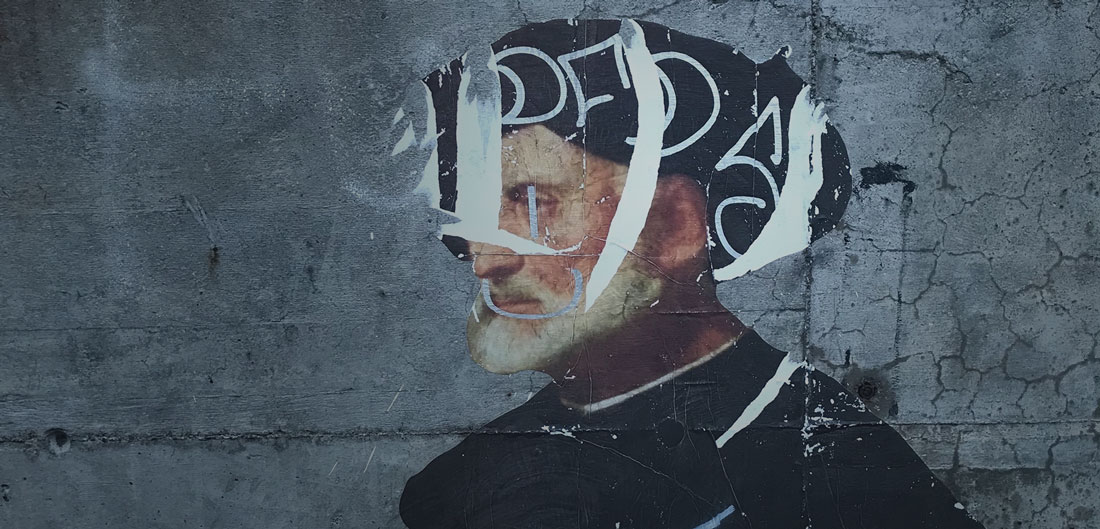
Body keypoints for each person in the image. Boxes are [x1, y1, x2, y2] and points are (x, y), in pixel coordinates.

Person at [397, 19, 986, 529]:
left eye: (534, 204)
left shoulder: (836, 468)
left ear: (677, 225)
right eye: (473, 213)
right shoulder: (460, 485)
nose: (485, 258)